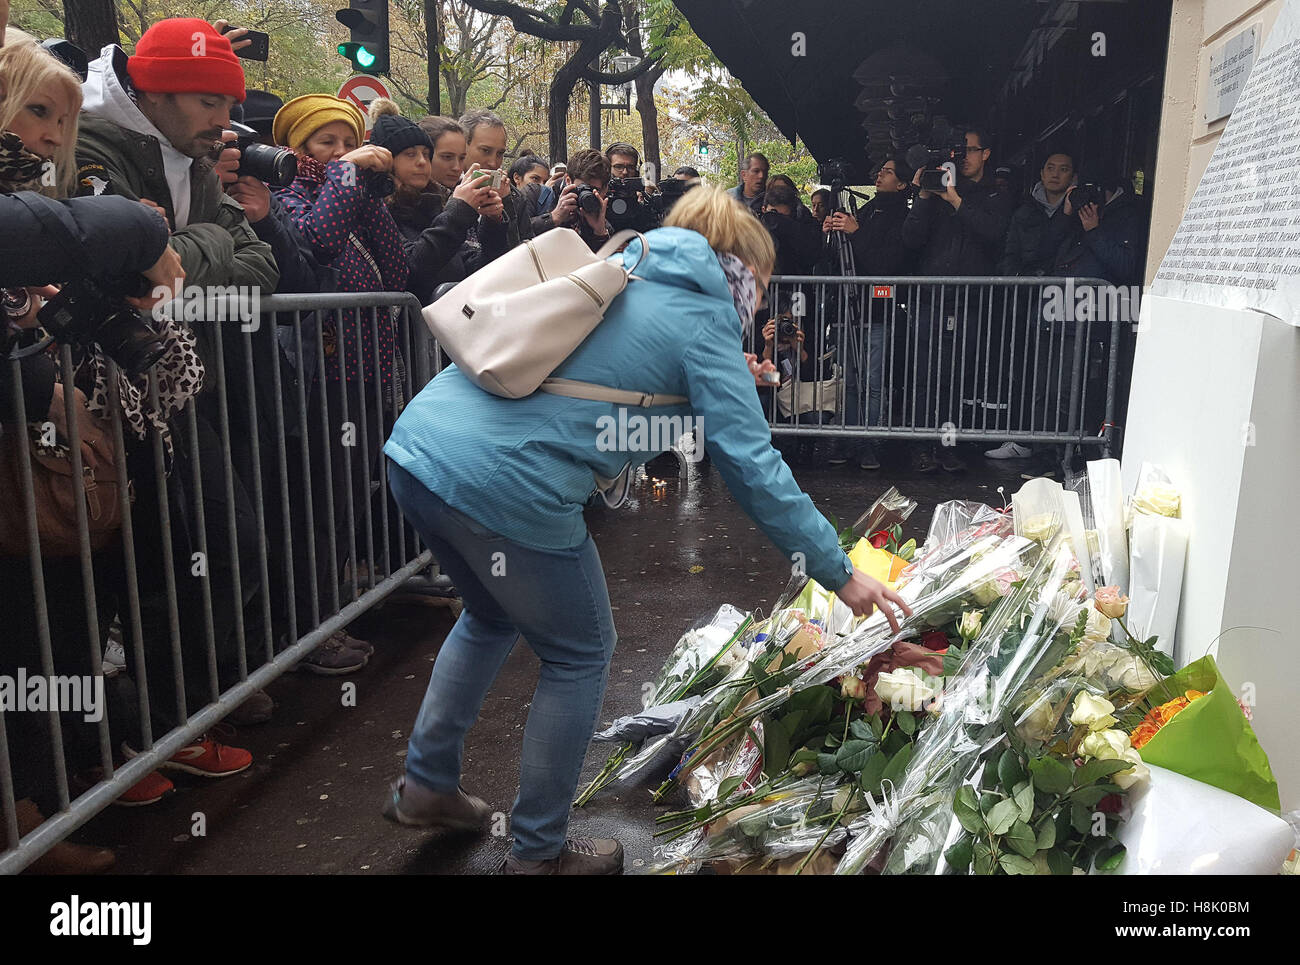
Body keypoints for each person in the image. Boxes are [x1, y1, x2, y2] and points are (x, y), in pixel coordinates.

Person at [380, 184, 911, 874]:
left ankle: (426, 784)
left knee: (487, 615)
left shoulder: (627, 267)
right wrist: (837, 570)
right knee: (579, 651)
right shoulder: (705, 313)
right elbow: (749, 462)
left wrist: (715, 382)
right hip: (505, 485)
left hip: (421, 449)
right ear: (744, 268)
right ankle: (538, 851)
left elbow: (617, 382)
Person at [76, 16, 273, 766]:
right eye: (206, 103)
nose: (225, 124)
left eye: (227, 106)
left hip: (175, 391)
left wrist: (176, 254)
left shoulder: (192, 156)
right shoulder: (95, 144)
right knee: (146, 574)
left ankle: (196, 705)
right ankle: (164, 732)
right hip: (103, 397)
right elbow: (128, 275)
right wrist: (181, 256)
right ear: (152, 92)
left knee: (227, 545)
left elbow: (259, 265)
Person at [272, 92, 409, 670]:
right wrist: (348, 176)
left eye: (349, 141)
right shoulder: (288, 196)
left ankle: (329, 613)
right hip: (322, 380)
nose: (341, 152)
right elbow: (319, 243)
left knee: (349, 499)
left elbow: (398, 268)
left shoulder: (351, 196)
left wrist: (372, 193)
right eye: (325, 142)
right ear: (296, 148)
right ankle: (311, 628)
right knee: (321, 506)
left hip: (368, 375)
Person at [901, 126, 1013, 472]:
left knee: (955, 379)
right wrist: (923, 196)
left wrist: (956, 200)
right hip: (931, 300)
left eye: (970, 151)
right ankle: (921, 447)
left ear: (986, 154)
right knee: (923, 376)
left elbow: (993, 232)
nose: (963, 158)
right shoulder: (935, 192)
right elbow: (910, 239)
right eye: (958, 152)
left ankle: (947, 447)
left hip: (968, 303)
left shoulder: (994, 194)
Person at [822, 155, 915, 470]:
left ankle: (868, 441)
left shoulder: (902, 216)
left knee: (873, 380)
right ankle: (847, 436)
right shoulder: (868, 210)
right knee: (847, 378)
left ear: (901, 183)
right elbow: (841, 260)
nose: (880, 175)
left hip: (877, 312)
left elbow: (884, 264)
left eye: (888, 172)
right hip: (850, 308)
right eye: (881, 170)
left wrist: (856, 232)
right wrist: (833, 235)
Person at [986, 149, 1078, 460]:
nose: (1055, 174)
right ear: (1040, 173)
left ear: (1073, 177)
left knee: (1062, 383)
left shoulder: (1082, 211)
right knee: (1027, 375)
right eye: (1050, 167)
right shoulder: (1024, 213)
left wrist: (1068, 216)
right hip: (1029, 305)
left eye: (1063, 169)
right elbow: (1009, 257)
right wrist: (1028, 279)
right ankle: (1026, 441)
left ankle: (1057, 451)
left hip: (1069, 305)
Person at [372, 100, 498, 305]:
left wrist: (494, 223)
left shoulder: (432, 204)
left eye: (425, 154)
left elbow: (474, 269)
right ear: (386, 161)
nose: (422, 162)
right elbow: (411, 270)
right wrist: (459, 211)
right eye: (410, 154)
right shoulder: (377, 210)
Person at [459, 108, 534, 253]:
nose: (493, 163)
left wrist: (506, 204)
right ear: (463, 146)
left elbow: (521, 253)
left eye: (500, 153)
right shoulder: (442, 191)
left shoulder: (514, 197)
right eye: (485, 151)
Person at [544, 147, 612, 251]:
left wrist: (600, 233)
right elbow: (520, 237)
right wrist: (554, 217)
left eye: (593, 190)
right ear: (568, 180)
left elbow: (600, 264)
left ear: (604, 190)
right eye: (582, 188)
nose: (586, 195)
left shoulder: (602, 221)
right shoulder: (537, 196)